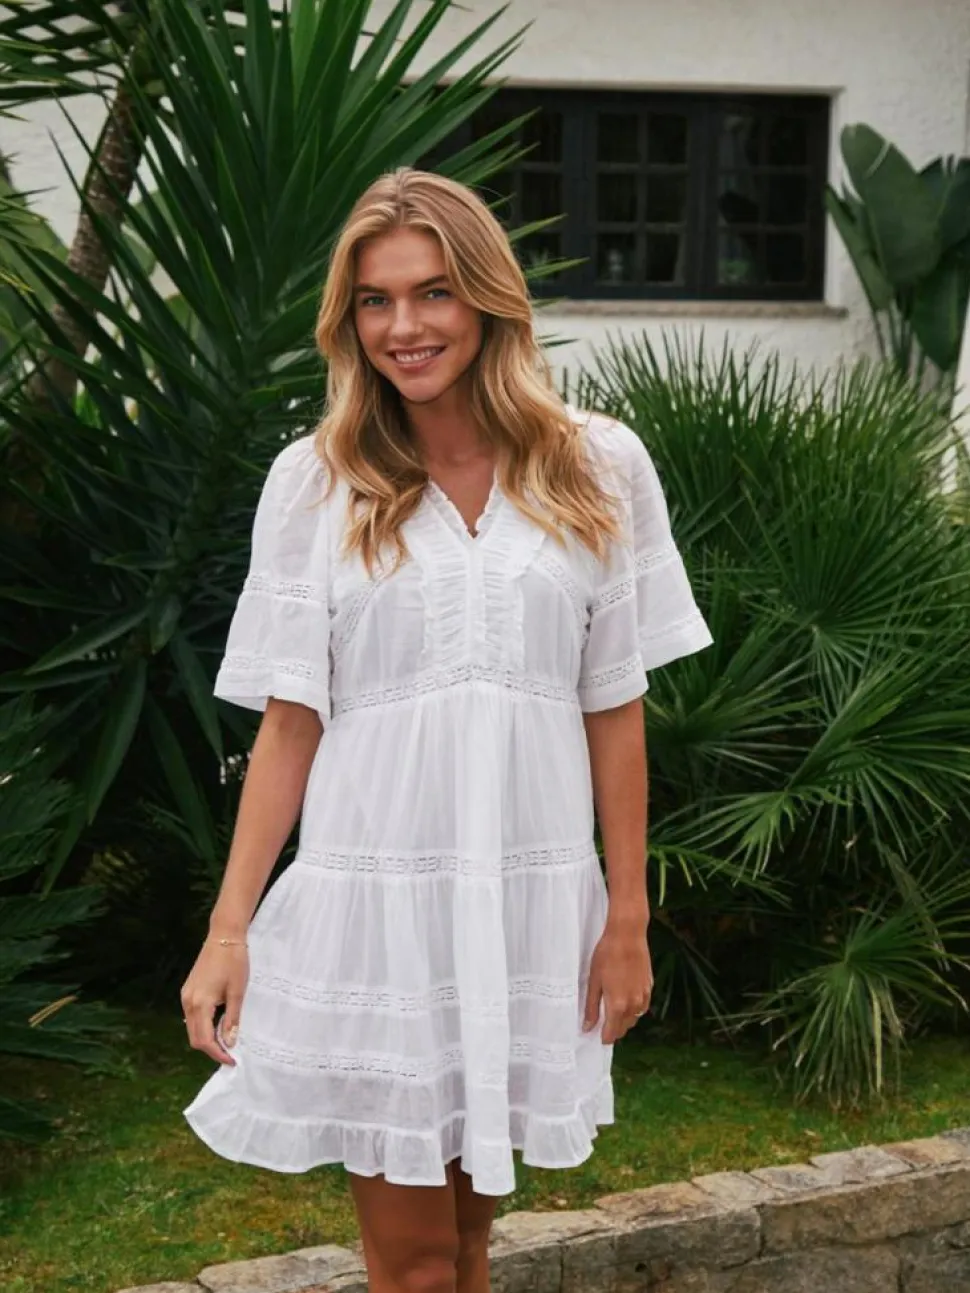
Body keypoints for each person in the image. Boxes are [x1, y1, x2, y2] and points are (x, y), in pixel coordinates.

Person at [181, 167, 712, 1293]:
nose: (403, 327)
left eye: (432, 292)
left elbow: (614, 704)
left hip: (526, 907)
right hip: (381, 917)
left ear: (488, 299)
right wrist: (229, 930)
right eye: (375, 300)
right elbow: (290, 723)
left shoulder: (598, 465)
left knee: (469, 1245)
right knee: (417, 1260)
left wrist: (626, 914)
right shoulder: (314, 483)